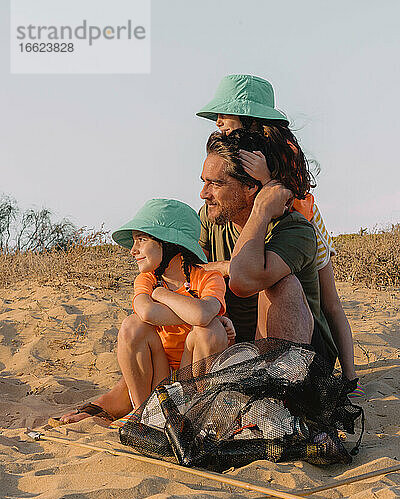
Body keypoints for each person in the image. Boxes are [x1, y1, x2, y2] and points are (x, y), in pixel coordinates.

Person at [197, 74, 360, 390]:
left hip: (297, 222)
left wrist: (267, 191)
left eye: (224, 115)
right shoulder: (224, 188)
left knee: (318, 298)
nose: (218, 122)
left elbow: (281, 196)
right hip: (262, 214)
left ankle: (344, 377)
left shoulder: (281, 178)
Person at [60, 198, 230, 424]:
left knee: (210, 331)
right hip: (158, 375)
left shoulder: (209, 278)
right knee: (132, 325)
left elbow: (201, 317)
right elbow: (146, 313)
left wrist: (162, 295)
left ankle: (195, 415)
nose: (133, 250)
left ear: (171, 244)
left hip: (192, 376)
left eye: (142, 239)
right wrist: (196, 313)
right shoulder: (146, 279)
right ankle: (143, 415)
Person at [199, 129, 337, 369]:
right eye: (204, 182)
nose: (204, 194)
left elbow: (243, 280)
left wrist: (261, 211)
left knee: (282, 286)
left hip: (306, 356)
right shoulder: (210, 217)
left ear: (251, 186)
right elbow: (190, 274)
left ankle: (284, 393)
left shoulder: (295, 229)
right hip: (240, 344)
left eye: (216, 183)